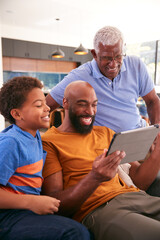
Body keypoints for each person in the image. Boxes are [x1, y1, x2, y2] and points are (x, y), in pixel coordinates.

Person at [42, 81, 160, 240]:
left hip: (135, 197)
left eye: (94, 105)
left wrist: (158, 151)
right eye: (82, 104)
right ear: (65, 103)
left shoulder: (105, 133)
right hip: (98, 210)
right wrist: (95, 177)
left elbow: (139, 181)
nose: (90, 111)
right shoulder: (49, 142)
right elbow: (56, 204)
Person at [0, 77, 91, 240]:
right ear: (17, 114)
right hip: (7, 217)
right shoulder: (12, 142)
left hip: (24, 213)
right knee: (75, 233)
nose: (47, 108)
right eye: (38, 105)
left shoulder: (35, 137)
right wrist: (32, 202)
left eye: (45, 102)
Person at [45, 26, 160, 133]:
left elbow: (152, 101)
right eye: (106, 58)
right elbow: (46, 106)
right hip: (104, 145)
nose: (113, 64)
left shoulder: (136, 65)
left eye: (118, 56)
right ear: (94, 54)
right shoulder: (80, 75)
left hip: (138, 133)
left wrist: (156, 134)